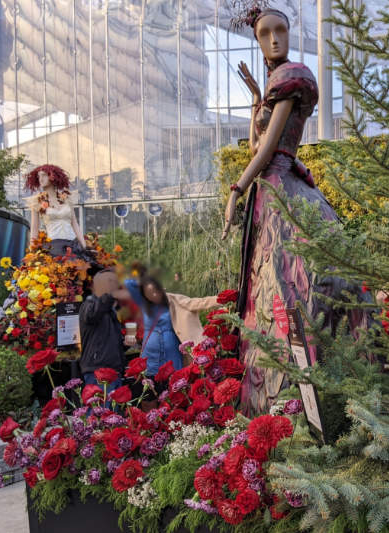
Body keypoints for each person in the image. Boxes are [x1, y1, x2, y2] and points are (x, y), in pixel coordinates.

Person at [220, 7, 372, 415]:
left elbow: (268, 150)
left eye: (280, 30)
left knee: (296, 283)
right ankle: (276, 400)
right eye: (265, 34)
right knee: (270, 284)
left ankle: (312, 394)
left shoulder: (293, 79)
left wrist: (237, 188)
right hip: (270, 193)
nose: (273, 39)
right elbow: (255, 145)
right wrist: (256, 100)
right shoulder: (271, 87)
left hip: (282, 187)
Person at [124, 271, 219, 376]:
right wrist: (130, 336)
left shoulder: (174, 300)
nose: (154, 294)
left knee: (174, 378)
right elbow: (128, 284)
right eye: (149, 292)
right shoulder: (143, 305)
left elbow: (198, 303)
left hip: (171, 350)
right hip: (150, 353)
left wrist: (220, 299)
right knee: (151, 381)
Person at [23, 164, 88, 258]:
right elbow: (34, 230)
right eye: (39, 176)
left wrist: (84, 246)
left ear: (53, 176)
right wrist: (32, 253)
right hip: (54, 247)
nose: (40, 179)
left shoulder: (67, 199)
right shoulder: (37, 202)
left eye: (44, 175)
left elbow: (75, 224)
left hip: (73, 244)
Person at [79, 269, 127, 390]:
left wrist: (125, 344)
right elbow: (91, 315)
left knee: (111, 408)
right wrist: (110, 296)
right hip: (98, 369)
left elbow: (109, 341)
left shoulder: (110, 310)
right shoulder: (90, 304)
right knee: (101, 407)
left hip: (113, 369)